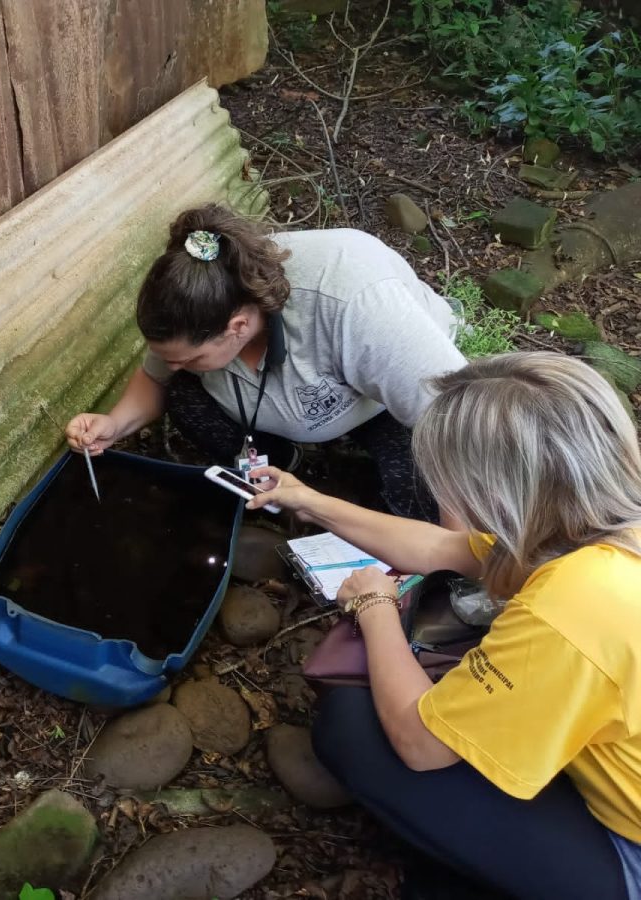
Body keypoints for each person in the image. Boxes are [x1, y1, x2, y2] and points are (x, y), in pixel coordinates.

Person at [247, 352, 641, 900]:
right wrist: (308, 501)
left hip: (631, 853)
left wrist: (375, 607)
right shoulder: (590, 522)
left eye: (448, 485)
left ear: (494, 495)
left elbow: (420, 744)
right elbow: (441, 547)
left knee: (354, 724)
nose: (441, 498)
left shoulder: (573, 607)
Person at [65, 205, 466, 521]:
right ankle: (288, 467)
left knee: (415, 492)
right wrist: (113, 425)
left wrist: (451, 549)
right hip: (295, 408)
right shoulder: (201, 301)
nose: (176, 364)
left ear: (237, 326)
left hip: (381, 404)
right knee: (184, 396)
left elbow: (457, 431)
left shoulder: (355, 302)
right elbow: (156, 376)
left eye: (191, 358)